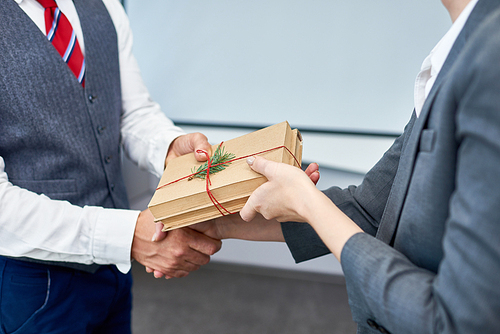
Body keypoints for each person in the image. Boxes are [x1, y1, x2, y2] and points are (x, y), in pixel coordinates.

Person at [153, 0, 500, 332]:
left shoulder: (489, 60)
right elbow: (370, 209)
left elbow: (456, 322)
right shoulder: (458, 51)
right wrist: (218, 225)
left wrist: (307, 202)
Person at [0, 0, 221, 332]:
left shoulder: (104, 5)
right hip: (36, 285)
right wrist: (129, 236)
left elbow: (131, 111)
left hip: (114, 269)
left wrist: (170, 147)